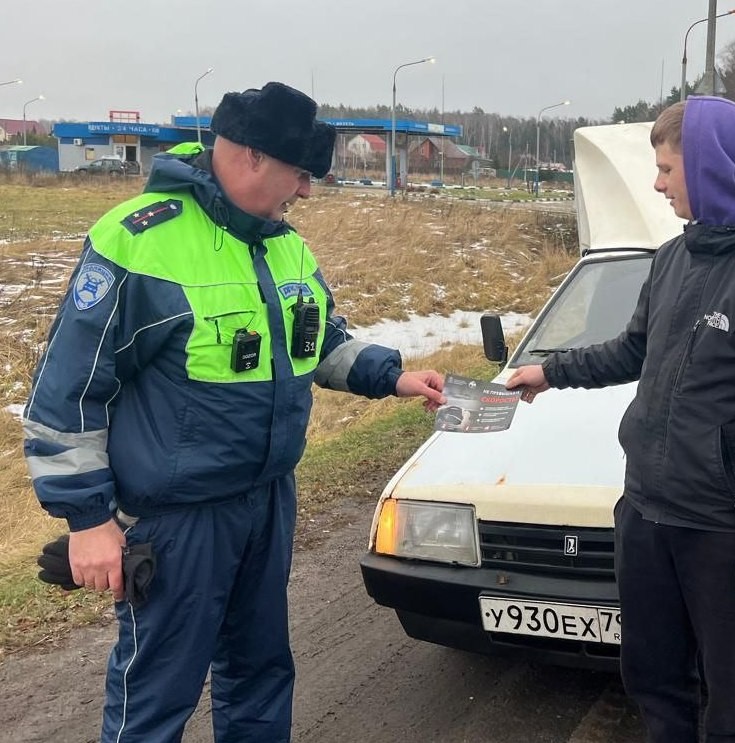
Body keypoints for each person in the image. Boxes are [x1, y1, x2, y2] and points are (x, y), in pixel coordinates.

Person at [22, 81, 445, 743]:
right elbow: (66, 392)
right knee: (155, 696)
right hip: (176, 520)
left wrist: (391, 375)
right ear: (251, 157)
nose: (306, 191)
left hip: (266, 503)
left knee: (260, 675)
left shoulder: (285, 246)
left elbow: (319, 340)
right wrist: (88, 520)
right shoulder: (140, 243)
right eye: (299, 174)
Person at [507, 97, 735, 742]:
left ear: (712, 168)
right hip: (646, 512)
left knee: (732, 702)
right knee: (654, 682)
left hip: (723, 529)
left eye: (666, 168)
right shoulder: (672, 256)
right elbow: (636, 348)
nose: (657, 184)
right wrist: (550, 371)